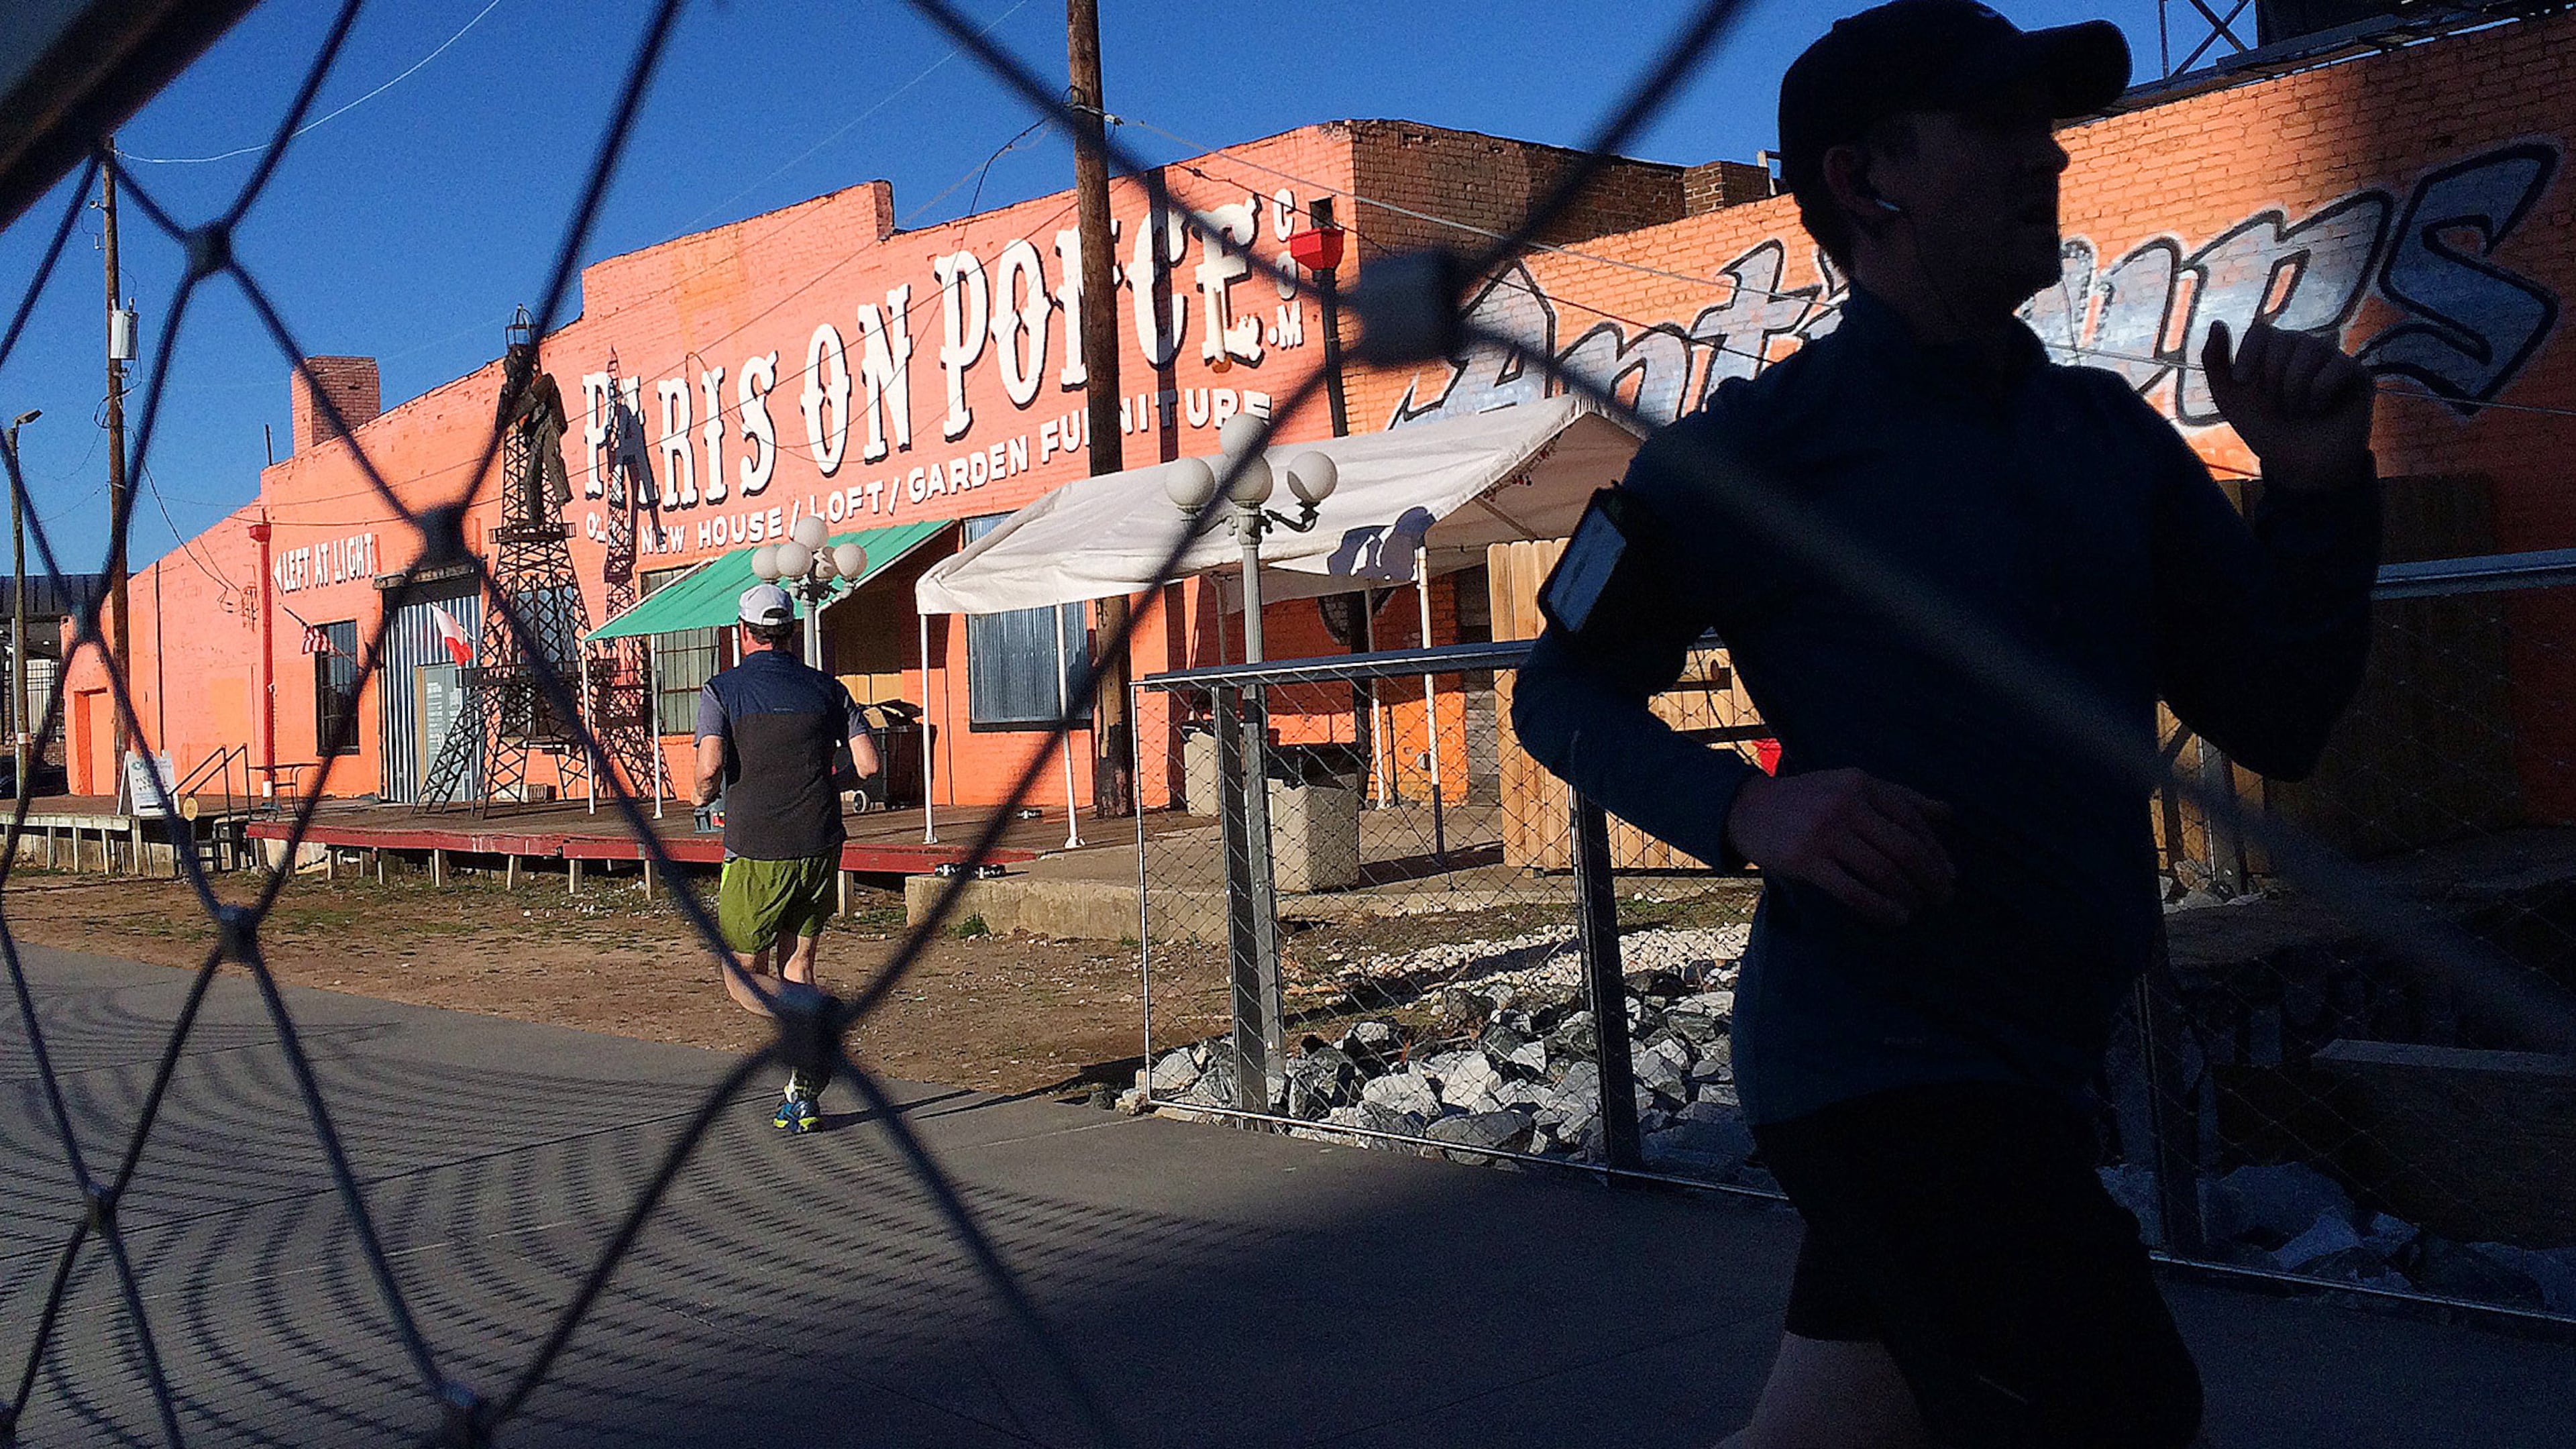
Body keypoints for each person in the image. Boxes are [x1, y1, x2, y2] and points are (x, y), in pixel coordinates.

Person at [1511, 3, 2381, 1445]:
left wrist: (2317, 495)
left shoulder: (2111, 441)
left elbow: (2278, 720)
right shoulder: (1751, 458)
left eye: (2047, 124)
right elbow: (1558, 693)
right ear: (1866, 180)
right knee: (2120, 1409)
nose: (2051, 156)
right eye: (1999, 125)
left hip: (2039, 1058)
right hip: (1876, 1065)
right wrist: (1748, 808)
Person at [694, 583, 882, 1133]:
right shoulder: (828, 688)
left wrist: (701, 797)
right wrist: (826, 783)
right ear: (791, 632)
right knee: (797, 966)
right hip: (820, 841)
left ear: (743, 632)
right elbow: (869, 765)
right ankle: (802, 1097)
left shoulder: (723, 689)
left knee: (742, 977)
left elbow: (709, 768)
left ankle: (819, 1019)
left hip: (756, 847)